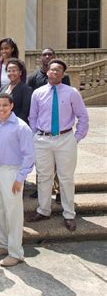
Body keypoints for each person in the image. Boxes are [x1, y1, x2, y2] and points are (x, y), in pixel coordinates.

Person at [27, 59, 89, 231]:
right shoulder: (38, 93)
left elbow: (83, 117)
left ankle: (69, 214)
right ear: (47, 72)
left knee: (66, 178)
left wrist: (76, 138)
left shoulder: (72, 93)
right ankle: (43, 210)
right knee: (44, 176)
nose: (54, 72)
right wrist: (35, 136)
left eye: (58, 70)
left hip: (65, 138)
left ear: (63, 74)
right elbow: (33, 117)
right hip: (43, 139)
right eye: (52, 70)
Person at [0, 93, 35, 267]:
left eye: (4, 105)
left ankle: (15, 252)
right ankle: (2, 244)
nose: (1, 108)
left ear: (11, 106)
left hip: (13, 172)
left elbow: (29, 156)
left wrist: (20, 178)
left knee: (13, 213)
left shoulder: (21, 127)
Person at [27, 48, 70, 200]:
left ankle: (59, 191)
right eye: (44, 55)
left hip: (60, 128)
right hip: (42, 127)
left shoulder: (64, 79)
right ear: (41, 58)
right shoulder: (34, 77)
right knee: (42, 163)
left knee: (60, 164)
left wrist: (76, 137)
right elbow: (30, 102)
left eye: (49, 55)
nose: (47, 57)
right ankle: (41, 189)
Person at [0, 58, 32, 124]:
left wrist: (12, 124)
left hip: (17, 125)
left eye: (14, 71)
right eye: (9, 71)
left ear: (20, 72)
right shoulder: (3, 88)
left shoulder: (26, 89)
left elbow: (25, 112)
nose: (11, 73)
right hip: (2, 123)